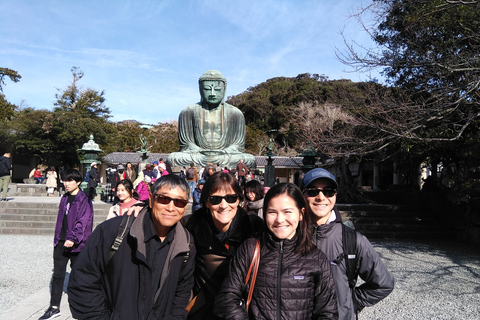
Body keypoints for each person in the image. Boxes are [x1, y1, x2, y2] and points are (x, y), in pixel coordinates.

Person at [68, 175, 196, 319]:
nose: (171, 208)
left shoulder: (186, 243)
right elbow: (83, 280)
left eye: (179, 202)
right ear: (152, 199)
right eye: (164, 199)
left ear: (185, 206)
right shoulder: (114, 231)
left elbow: (182, 291)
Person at [214, 183, 338, 319]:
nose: (279, 220)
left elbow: (327, 311)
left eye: (287, 212)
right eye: (272, 212)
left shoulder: (316, 257)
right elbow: (227, 298)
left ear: (301, 213)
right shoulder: (250, 249)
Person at [302, 168, 394, 320]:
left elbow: (383, 283)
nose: (321, 197)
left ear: (335, 195)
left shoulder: (353, 240)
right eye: (313, 191)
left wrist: (351, 302)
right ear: (303, 194)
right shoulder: (291, 236)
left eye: (328, 191)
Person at [184, 171, 264, 320]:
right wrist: (141, 210)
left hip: (241, 312)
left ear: (239, 200)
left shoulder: (254, 228)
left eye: (231, 198)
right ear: (206, 202)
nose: (223, 205)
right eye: (215, 199)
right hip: (202, 311)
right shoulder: (190, 226)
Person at [167, 70, 256, 168]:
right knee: (174, 158)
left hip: (225, 155)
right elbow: (186, 144)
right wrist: (199, 150)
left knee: (249, 159)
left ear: (224, 89)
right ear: (200, 90)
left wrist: (225, 151)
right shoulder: (188, 111)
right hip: (199, 155)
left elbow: (238, 145)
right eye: (207, 89)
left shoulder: (235, 113)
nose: (212, 93)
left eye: (217, 89)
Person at [38, 169, 93, 320]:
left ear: (78, 182)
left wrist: (73, 238)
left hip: (77, 245)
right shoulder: (64, 197)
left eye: (70, 181)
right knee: (57, 275)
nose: (66, 183)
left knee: (79, 276)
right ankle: (54, 307)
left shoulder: (84, 200)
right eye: (64, 180)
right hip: (61, 242)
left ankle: (84, 308)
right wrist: (58, 239)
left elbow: (82, 222)